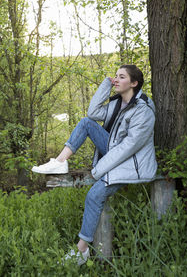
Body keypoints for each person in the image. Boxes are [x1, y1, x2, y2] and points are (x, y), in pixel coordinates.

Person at [32, 64, 157, 265]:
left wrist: (99, 168)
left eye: (121, 77)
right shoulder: (119, 103)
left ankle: (81, 251)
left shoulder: (143, 110)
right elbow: (92, 112)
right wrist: (105, 86)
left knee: (94, 194)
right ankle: (59, 162)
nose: (116, 79)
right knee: (85, 123)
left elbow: (128, 148)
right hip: (116, 153)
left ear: (133, 83)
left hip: (132, 163)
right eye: (115, 76)